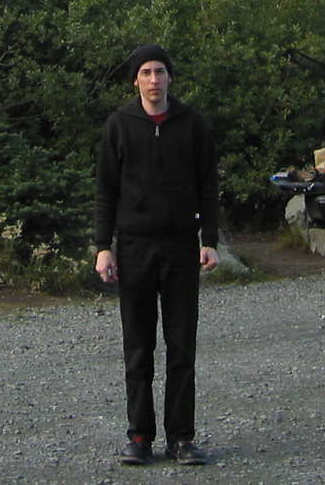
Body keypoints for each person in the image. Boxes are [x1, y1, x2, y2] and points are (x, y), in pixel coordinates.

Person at [93, 42, 219, 467]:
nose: (153, 79)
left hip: (181, 247)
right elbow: (106, 190)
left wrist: (209, 239)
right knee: (138, 346)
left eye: (160, 71)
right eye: (146, 72)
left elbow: (208, 184)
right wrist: (103, 247)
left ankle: (181, 438)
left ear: (170, 77)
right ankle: (139, 435)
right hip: (134, 247)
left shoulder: (192, 124)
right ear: (135, 80)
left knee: (181, 346)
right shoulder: (119, 125)